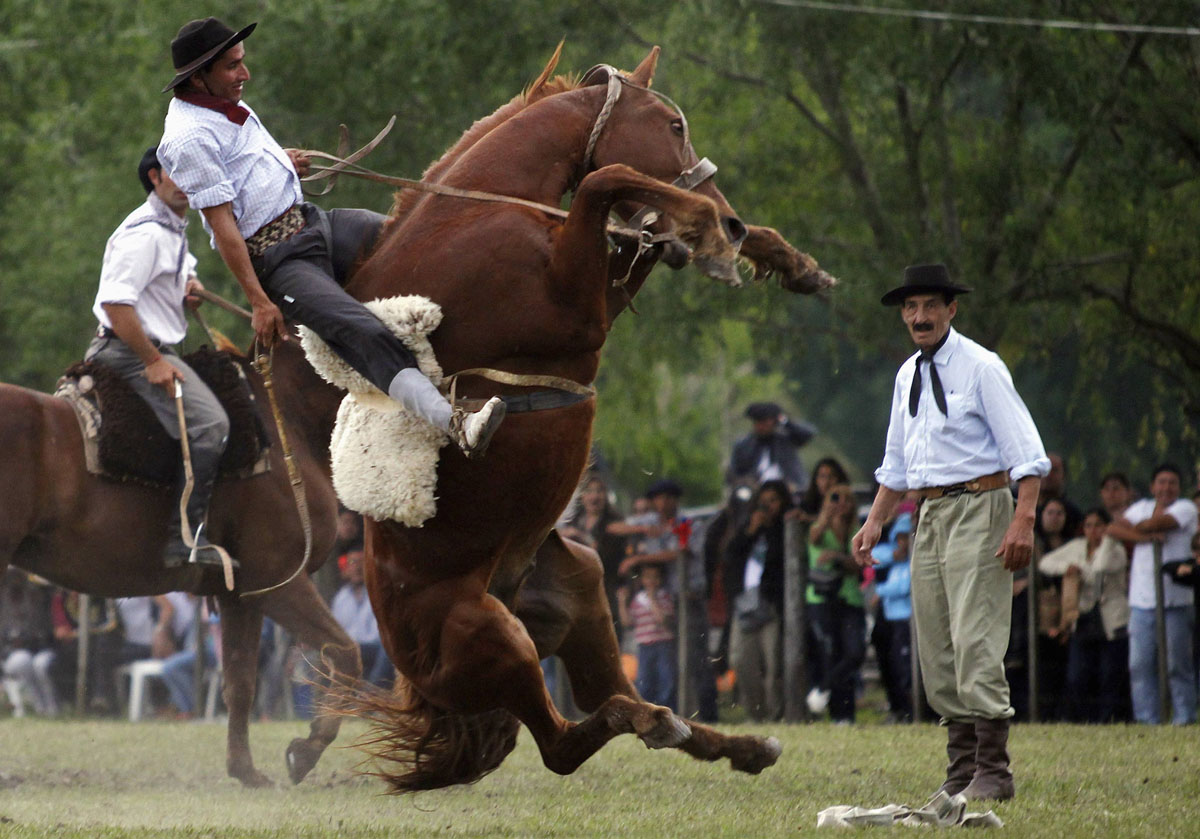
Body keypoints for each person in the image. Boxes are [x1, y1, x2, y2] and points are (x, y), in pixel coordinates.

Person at [156, 18, 504, 460]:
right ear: (199, 76)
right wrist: (259, 301)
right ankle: (455, 423)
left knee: (413, 235)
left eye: (242, 63)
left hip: (313, 222)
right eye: (232, 67)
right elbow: (224, 227)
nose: (244, 74)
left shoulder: (223, 101)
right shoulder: (188, 139)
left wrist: (280, 162)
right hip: (278, 262)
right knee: (360, 330)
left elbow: (240, 167)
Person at [852, 264, 1050, 802]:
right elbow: (896, 464)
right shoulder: (906, 375)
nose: (919, 317)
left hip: (981, 504)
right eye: (910, 308)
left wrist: (1022, 519)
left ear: (951, 309)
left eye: (930, 306)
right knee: (937, 645)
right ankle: (961, 769)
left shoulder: (982, 367)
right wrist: (873, 521)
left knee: (974, 636)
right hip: (929, 515)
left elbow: (1027, 455)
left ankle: (995, 770)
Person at [86, 146, 230, 568]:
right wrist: (152, 360)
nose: (187, 182)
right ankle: (184, 539)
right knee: (213, 425)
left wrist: (190, 283)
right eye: (177, 173)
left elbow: (177, 267)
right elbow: (116, 304)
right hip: (127, 353)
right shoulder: (146, 232)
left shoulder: (172, 230)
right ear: (155, 177)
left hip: (139, 347)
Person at [1107, 464, 1198, 725]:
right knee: (1140, 664)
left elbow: (1161, 523)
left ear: (1178, 488)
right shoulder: (1141, 507)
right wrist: (1144, 537)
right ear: (1152, 487)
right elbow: (1113, 528)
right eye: (1161, 482)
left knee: (1177, 664)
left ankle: (1184, 717)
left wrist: (1138, 530)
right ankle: (1148, 719)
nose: (1166, 487)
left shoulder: (1186, 509)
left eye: (1172, 483)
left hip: (1176, 600)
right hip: (1141, 601)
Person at [1038, 507, 1130, 722]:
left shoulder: (1116, 549)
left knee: (1110, 674)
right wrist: (1067, 567)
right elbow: (1045, 563)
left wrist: (1108, 539)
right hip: (1084, 616)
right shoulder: (1077, 547)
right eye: (1089, 526)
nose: (1093, 531)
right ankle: (1081, 719)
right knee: (1078, 675)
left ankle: (1108, 720)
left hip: (1111, 617)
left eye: (1098, 525)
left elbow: (1099, 567)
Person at [723, 480, 791, 721]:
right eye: (764, 501)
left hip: (771, 605)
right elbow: (730, 556)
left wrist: (772, 526)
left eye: (774, 500)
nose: (768, 506)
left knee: (774, 665)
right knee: (741, 660)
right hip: (745, 605)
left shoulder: (785, 528)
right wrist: (751, 531)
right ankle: (756, 714)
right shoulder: (749, 528)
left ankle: (776, 715)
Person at [805, 481, 865, 723]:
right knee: (830, 653)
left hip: (849, 599)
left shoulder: (857, 530)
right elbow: (816, 543)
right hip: (822, 601)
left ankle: (826, 689)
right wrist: (827, 518)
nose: (841, 504)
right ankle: (838, 715)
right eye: (835, 498)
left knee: (853, 653)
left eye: (846, 499)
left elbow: (856, 563)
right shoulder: (818, 528)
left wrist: (838, 556)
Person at [558, 474, 628, 641]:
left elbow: (605, 554)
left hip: (606, 588)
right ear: (582, 496)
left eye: (599, 491)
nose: (594, 496)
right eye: (589, 491)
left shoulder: (613, 524)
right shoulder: (573, 523)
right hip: (576, 590)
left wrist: (581, 538)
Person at [870, 512, 914, 723]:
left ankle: (912, 710)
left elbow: (905, 587)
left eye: (907, 538)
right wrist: (894, 555)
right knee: (894, 665)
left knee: (907, 668)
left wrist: (881, 591)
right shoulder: (894, 561)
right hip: (892, 620)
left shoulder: (913, 564)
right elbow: (875, 557)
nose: (903, 543)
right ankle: (899, 708)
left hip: (908, 621)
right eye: (900, 538)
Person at [330, 546, 394, 690]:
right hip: (349, 648)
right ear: (346, 569)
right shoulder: (341, 598)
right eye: (353, 562)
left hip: (375, 647)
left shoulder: (380, 593)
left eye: (361, 562)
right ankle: (330, 701)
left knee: (387, 650)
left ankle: (370, 695)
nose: (357, 567)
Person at [726, 402, 817, 494]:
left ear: (774, 422)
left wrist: (785, 421)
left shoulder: (786, 439)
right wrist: (747, 482)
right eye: (759, 422)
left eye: (766, 422)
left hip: (789, 487)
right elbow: (735, 472)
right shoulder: (743, 445)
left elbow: (808, 433)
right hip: (755, 490)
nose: (762, 427)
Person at [1, 570, 58, 716]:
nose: (16, 581)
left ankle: (52, 707)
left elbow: (44, 628)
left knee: (40, 664)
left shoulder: (34, 597)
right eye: (12, 577)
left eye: (18, 576)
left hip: (37, 648)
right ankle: (38, 706)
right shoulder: (3, 601)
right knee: (23, 660)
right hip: (10, 654)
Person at [624, 564, 676, 710]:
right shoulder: (638, 600)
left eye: (655, 577)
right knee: (644, 680)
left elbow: (662, 619)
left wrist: (653, 599)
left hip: (663, 644)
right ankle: (647, 710)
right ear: (642, 580)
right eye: (648, 577)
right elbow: (627, 621)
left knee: (666, 679)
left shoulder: (664, 597)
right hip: (644, 646)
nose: (652, 581)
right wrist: (622, 601)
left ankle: (667, 709)